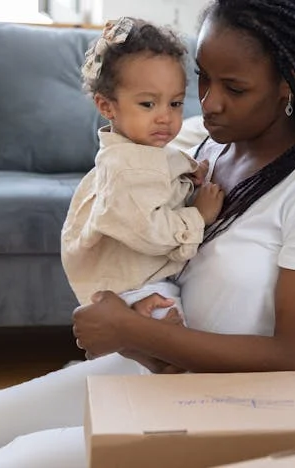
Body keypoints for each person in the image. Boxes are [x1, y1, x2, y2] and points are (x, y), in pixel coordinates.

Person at [0, 1, 295, 466]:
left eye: (234, 88)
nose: (209, 102)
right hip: (149, 366)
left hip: (230, 403)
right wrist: (128, 325)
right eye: (202, 77)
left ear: (290, 81)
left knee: (12, 463)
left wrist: (129, 330)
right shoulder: (200, 143)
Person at [61, 16, 223, 326]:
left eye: (175, 104)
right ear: (107, 107)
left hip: (143, 277)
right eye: (148, 104)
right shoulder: (124, 170)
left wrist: (188, 176)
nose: (165, 117)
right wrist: (198, 216)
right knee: (174, 335)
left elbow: (162, 175)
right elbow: (150, 233)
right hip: (131, 287)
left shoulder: (144, 152)